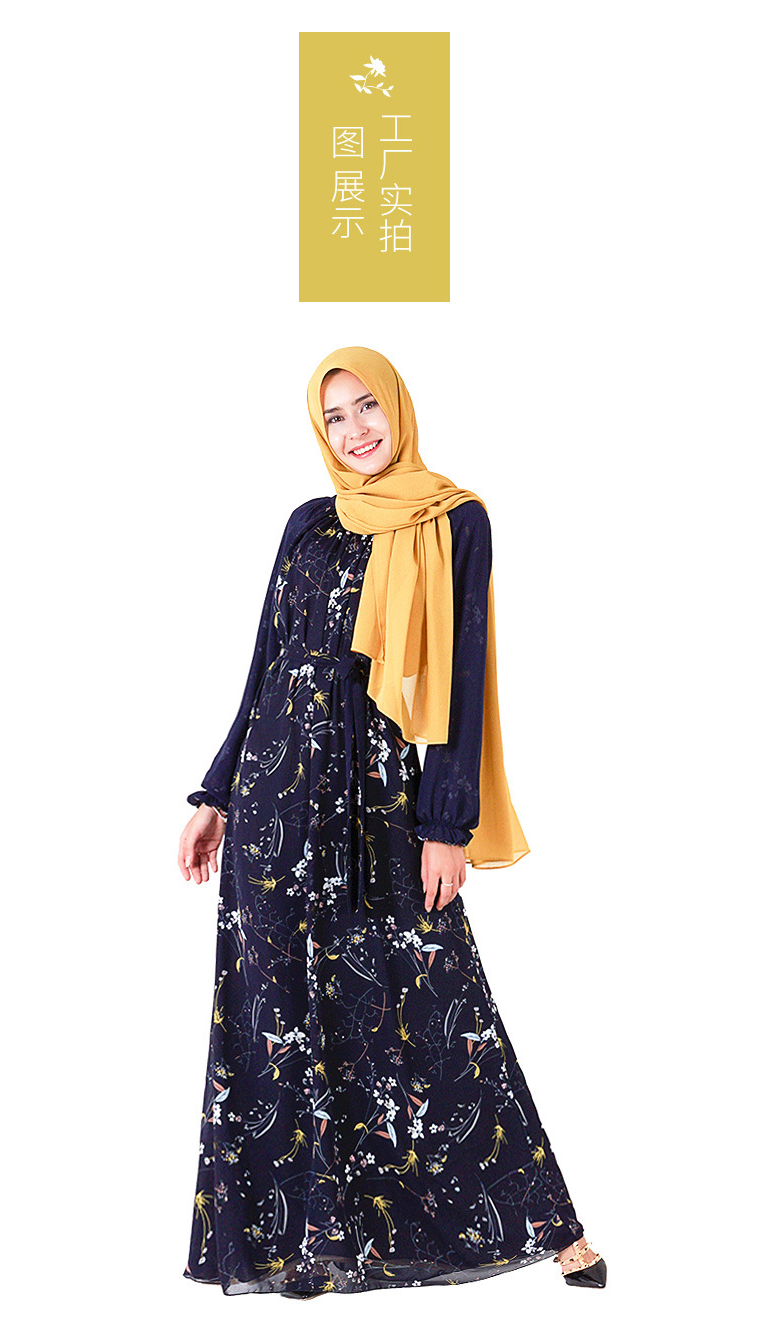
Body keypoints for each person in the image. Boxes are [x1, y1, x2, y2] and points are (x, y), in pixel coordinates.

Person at [178, 346, 607, 1297]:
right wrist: (215, 795)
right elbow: (265, 667)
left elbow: (463, 674)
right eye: (334, 417)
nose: (355, 430)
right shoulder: (308, 522)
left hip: (375, 804)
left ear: (399, 406)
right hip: (271, 808)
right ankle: (306, 1241)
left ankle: (554, 1227)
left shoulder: (455, 519)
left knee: (437, 1003)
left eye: (367, 406)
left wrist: (446, 822)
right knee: (279, 1019)